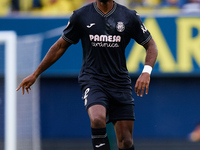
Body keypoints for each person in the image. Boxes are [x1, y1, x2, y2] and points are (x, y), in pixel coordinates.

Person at [16, 0, 158, 149]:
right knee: (97, 119)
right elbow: (59, 46)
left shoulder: (129, 16)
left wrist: (146, 72)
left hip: (119, 82)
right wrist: (36, 73)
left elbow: (151, 45)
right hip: (93, 80)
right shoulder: (81, 16)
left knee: (126, 141)